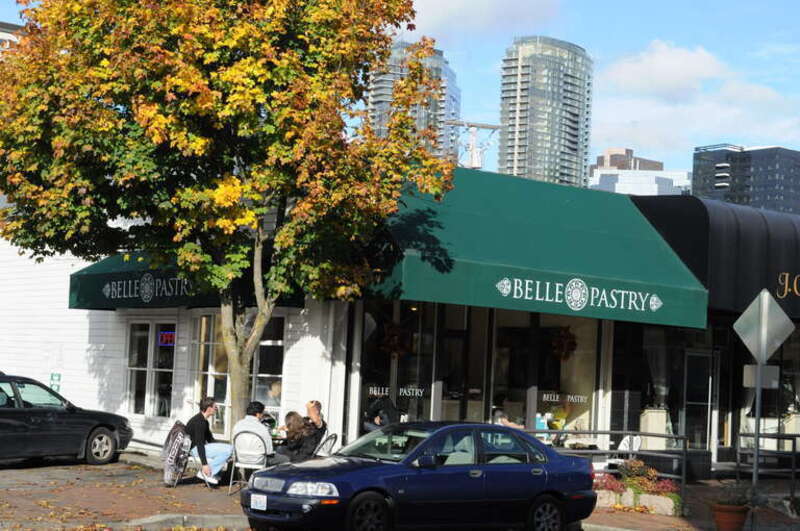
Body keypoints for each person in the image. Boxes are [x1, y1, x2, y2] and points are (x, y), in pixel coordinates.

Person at [186, 397, 232, 485]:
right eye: (215, 407)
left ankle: (211, 472)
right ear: (209, 408)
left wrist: (222, 447)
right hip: (194, 450)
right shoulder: (199, 422)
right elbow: (200, 444)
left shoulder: (204, 421)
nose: (216, 409)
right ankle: (206, 473)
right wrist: (204, 464)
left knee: (229, 449)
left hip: (198, 448)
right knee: (229, 449)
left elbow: (211, 440)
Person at [232, 401, 289, 468]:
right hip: (259, 460)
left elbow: (233, 445)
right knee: (287, 459)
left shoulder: (237, 425)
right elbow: (269, 451)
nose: (263, 416)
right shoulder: (262, 428)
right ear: (258, 414)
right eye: (262, 413)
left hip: (240, 459)